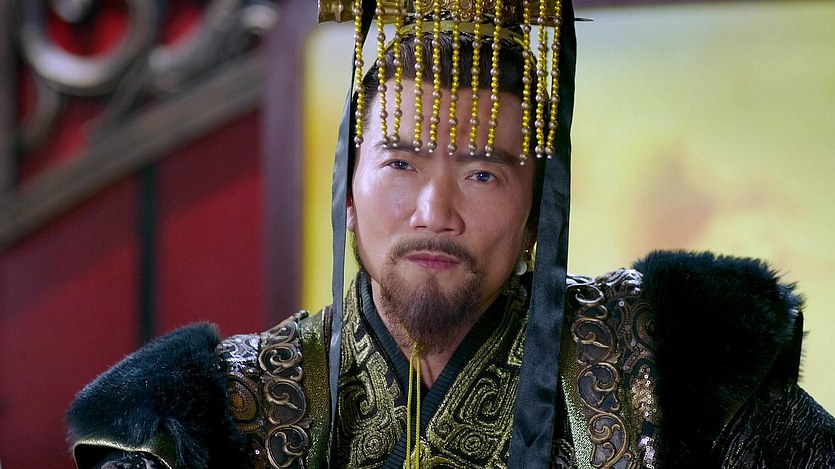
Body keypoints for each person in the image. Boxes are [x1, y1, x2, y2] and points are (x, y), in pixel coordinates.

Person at [66, 1, 835, 468]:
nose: (435, 211)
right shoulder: (219, 413)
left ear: (537, 215)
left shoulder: (665, 365)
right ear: (347, 193)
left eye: (483, 173)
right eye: (401, 163)